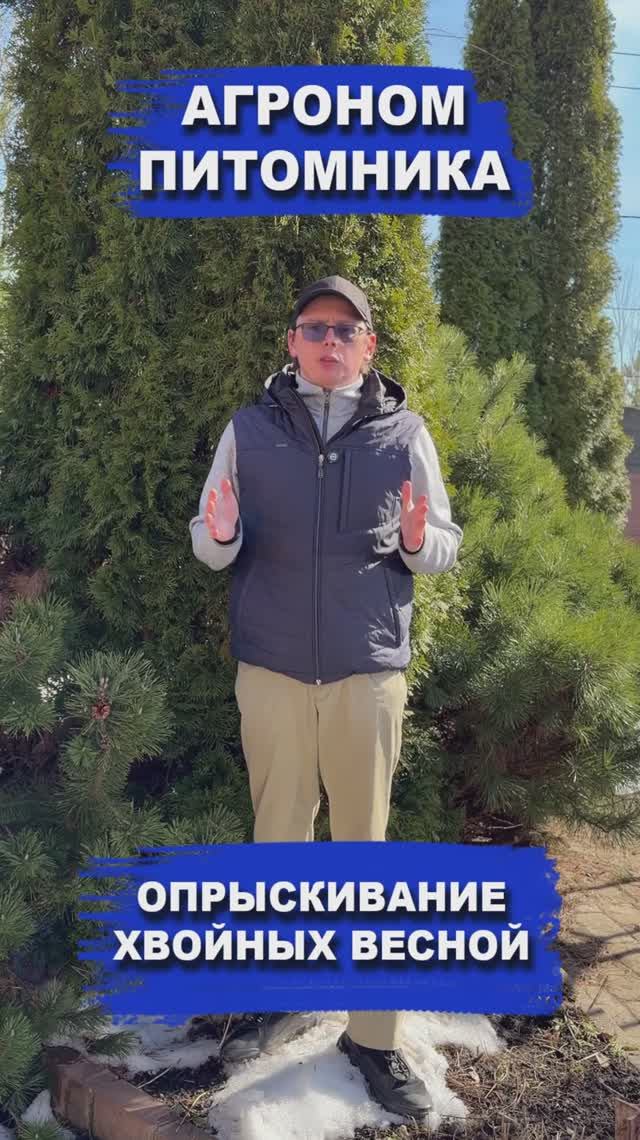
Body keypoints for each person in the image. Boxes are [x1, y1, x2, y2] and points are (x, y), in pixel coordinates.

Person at [189, 274, 463, 1119]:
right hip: (271, 670)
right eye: (316, 328)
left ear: (369, 346)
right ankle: (278, 996)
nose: (330, 341)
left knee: (362, 853)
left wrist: (418, 541)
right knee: (278, 841)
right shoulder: (247, 430)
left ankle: (371, 1040)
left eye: (346, 330)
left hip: (365, 673)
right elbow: (208, 539)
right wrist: (222, 533)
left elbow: (444, 545)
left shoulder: (404, 433)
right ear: (293, 343)